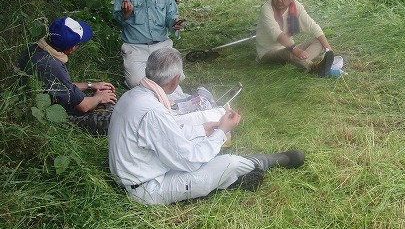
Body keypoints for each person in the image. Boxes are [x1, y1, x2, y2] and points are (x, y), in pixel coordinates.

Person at [108, 47, 305, 205]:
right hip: (147, 189)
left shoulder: (133, 96)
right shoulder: (153, 112)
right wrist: (221, 132)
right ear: (176, 79)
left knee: (202, 141)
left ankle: (233, 177)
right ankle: (261, 162)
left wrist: (203, 129)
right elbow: (190, 161)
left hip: (137, 173)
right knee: (229, 163)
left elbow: (165, 134)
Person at [17, 16, 118, 134]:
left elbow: (60, 85)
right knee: (115, 119)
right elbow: (83, 106)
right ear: (71, 49)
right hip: (56, 116)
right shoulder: (53, 66)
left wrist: (90, 85)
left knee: (114, 103)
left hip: (42, 101)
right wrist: (98, 97)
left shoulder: (35, 50)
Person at [113, 0, 186, 88]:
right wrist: (126, 14)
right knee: (136, 83)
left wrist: (175, 23)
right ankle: (151, 86)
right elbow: (118, 19)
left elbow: (171, 16)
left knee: (176, 77)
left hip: (161, 45)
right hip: (135, 47)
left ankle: (157, 87)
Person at [256, 0, 335, 77]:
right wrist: (295, 50)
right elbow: (276, 33)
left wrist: (329, 49)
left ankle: (301, 61)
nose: (279, 0)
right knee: (291, 52)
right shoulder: (267, 8)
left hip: (288, 47)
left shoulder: (296, 6)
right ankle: (315, 68)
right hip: (267, 51)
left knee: (318, 42)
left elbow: (312, 25)